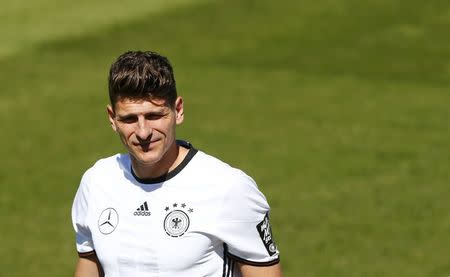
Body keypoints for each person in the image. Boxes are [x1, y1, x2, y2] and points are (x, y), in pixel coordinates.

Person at [71, 50, 282, 277]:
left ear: (178, 111)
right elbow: (89, 262)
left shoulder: (228, 188)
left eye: (154, 116)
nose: (143, 132)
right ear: (112, 119)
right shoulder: (96, 182)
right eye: (130, 119)